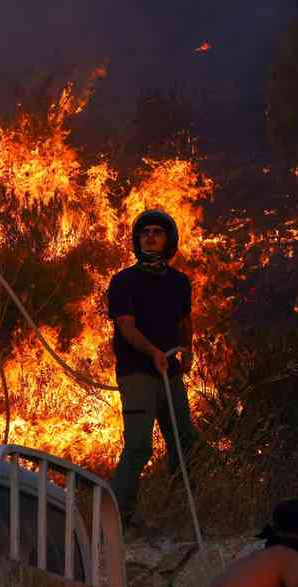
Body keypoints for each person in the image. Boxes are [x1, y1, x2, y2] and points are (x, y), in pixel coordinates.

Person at [106, 210, 196, 524]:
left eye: (157, 231)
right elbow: (126, 327)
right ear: (137, 240)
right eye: (144, 232)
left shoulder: (180, 282)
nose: (150, 236)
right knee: (139, 447)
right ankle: (118, 517)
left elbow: (185, 320)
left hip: (170, 374)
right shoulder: (124, 281)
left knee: (184, 443)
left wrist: (188, 349)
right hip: (137, 374)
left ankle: (184, 512)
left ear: (168, 239)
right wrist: (153, 352)